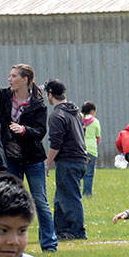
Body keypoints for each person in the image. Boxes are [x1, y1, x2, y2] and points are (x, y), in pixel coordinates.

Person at [0, 65, 56, 253]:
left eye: (13, 76)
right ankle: (10, 242)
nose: (9, 79)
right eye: (9, 75)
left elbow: (40, 132)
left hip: (33, 159)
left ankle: (50, 244)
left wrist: (24, 130)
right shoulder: (3, 97)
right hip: (10, 158)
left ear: (25, 79)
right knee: (9, 200)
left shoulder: (38, 104)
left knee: (40, 201)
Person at [43, 81, 87, 242]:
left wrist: (47, 163)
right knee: (61, 196)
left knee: (70, 197)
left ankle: (77, 231)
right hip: (81, 159)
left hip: (68, 161)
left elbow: (56, 143)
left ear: (50, 94)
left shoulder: (56, 115)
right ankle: (61, 230)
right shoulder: (75, 113)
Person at [79, 101, 99, 198]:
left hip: (79, 149)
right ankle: (87, 194)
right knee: (89, 174)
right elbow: (98, 137)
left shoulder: (78, 119)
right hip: (91, 150)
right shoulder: (95, 121)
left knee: (77, 174)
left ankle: (77, 193)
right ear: (92, 111)